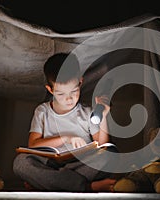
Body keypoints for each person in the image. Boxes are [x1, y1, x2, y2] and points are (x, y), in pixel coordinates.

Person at [13, 53, 116, 192]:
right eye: (61, 94)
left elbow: (102, 145)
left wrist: (103, 118)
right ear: (50, 89)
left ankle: (48, 182)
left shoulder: (87, 113)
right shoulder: (42, 111)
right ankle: (87, 187)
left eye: (74, 91)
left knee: (110, 154)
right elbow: (33, 144)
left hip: (79, 165)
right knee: (21, 163)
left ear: (80, 82)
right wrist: (65, 138)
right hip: (49, 165)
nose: (69, 99)